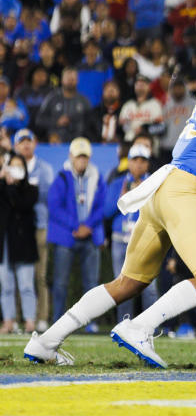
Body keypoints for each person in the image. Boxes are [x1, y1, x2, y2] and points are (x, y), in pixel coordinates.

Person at [24, 20, 196, 368]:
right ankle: (141, 327)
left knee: (127, 283)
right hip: (185, 190)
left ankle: (46, 341)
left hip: (163, 186)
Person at [45, 137, 106, 323]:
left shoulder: (97, 177)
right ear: (71, 156)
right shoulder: (62, 177)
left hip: (89, 235)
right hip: (67, 236)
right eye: (79, 157)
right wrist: (75, 225)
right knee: (61, 283)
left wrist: (87, 226)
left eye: (85, 157)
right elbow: (54, 206)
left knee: (91, 284)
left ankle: (90, 322)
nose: (82, 161)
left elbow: (103, 205)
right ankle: (57, 320)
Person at [104, 143, 159, 321]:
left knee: (149, 287)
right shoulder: (118, 183)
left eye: (143, 161)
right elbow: (106, 211)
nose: (139, 164)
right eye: (135, 160)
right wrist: (122, 197)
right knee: (121, 286)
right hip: (121, 239)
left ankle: (149, 326)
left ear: (148, 164)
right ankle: (122, 326)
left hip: (146, 239)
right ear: (129, 163)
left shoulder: (155, 182)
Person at [15, 129, 54, 332]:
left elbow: (44, 196)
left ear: (35, 143)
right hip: (17, 229)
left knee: (40, 275)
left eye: (29, 140)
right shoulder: (10, 166)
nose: (26, 145)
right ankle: (21, 318)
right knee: (19, 275)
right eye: (21, 141)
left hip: (39, 226)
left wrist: (23, 189)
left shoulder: (44, 168)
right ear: (16, 146)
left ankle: (41, 317)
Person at [0, 153, 38, 334]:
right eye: (12, 166)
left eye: (19, 166)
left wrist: (11, 187)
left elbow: (22, 205)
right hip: (4, 244)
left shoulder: (31, 189)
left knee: (26, 285)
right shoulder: (2, 187)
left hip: (24, 244)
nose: (15, 170)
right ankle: (8, 321)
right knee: (6, 285)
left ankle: (29, 321)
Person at [35, 67, 94, 143]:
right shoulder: (52, 98)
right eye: (68, 79)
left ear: (77, 80)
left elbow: (90, 125)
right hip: (54, 143)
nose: (70, 82)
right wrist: (56, 122)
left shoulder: (84, 101)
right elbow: (39, 120)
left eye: (73, 79)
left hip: (77, 143)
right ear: (62, 80)